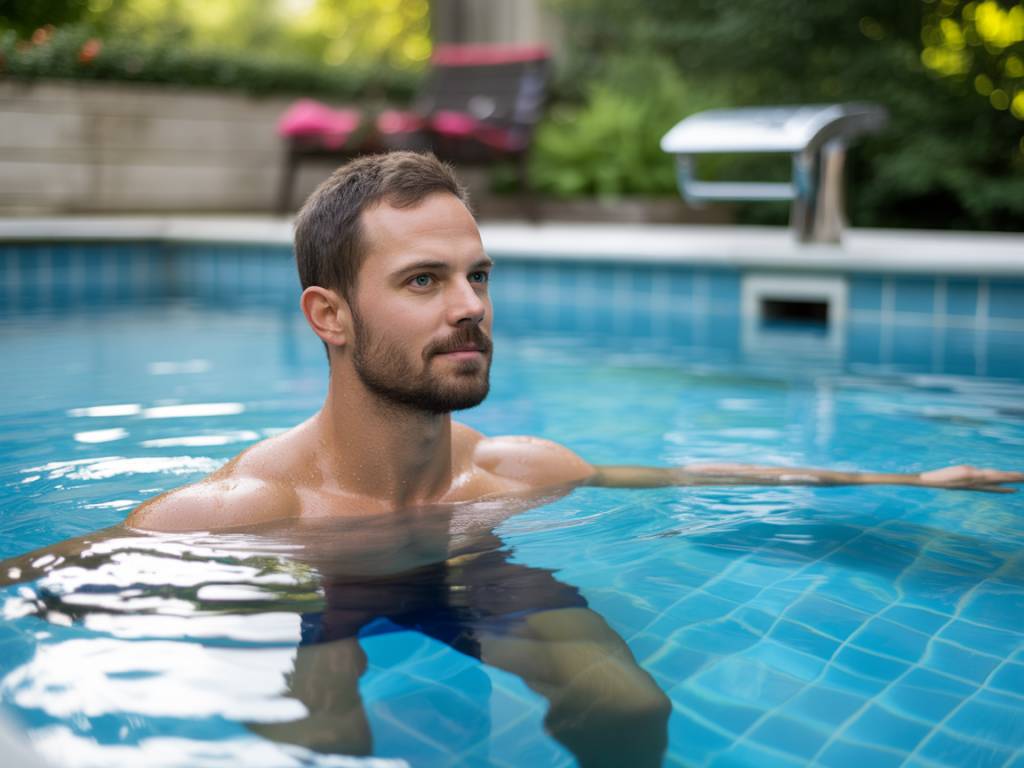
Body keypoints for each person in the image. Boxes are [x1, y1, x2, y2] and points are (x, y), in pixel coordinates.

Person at [4, 151, 1020, 767]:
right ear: (330, 317)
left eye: (477, 274)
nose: (470, 307)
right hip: (315, 583)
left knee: (629, 705)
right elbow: (42, 581)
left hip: (460, 566)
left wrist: (899, 482)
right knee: (330, 745)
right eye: (423, 281)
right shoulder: (244, 509)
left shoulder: (509, 473)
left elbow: (670, 480)